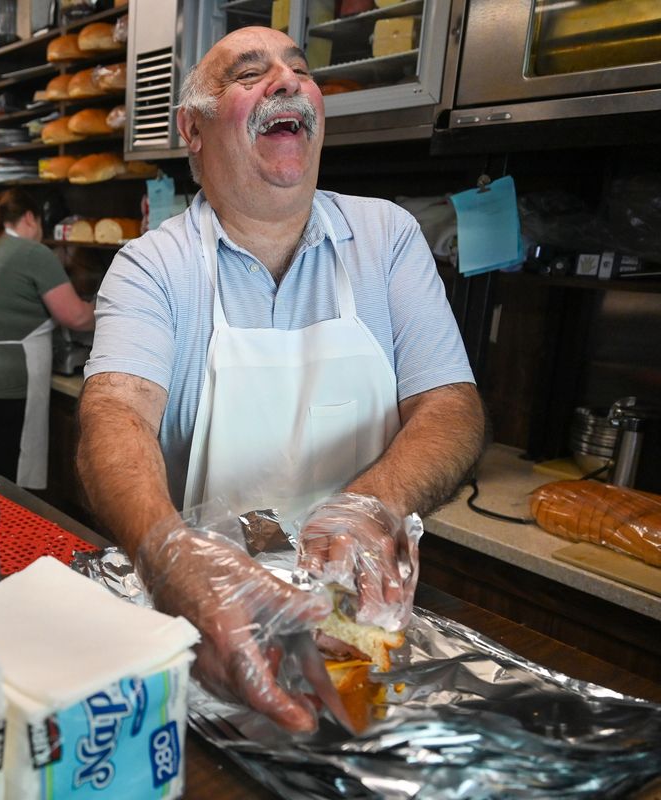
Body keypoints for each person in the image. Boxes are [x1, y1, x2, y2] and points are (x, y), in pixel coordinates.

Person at [76, 27, 485, 731]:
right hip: (217, 614)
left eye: (299, 68)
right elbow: (115, 414)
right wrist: (172, 559)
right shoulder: (154, 268)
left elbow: (452, 405)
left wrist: (372, 502)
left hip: (366, 614)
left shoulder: (385, 239)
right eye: (250, 73)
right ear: (193, 130)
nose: (288, 81)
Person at [0, 189, 94, 488]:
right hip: (7, 387)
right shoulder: (33, 253)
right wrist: (111, 309)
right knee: (9, 487)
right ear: (30, 217)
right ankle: (11, 535)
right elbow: (75, 317)